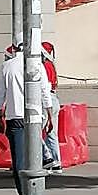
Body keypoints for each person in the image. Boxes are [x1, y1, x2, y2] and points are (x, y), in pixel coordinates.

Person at [0, 40, 52, 195]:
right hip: (34, 115)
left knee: (18, 159)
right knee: (34, 157)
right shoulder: (37, 65)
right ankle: (36, 191)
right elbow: (45, 91)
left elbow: (0, 93)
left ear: (15, 49)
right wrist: (50, 115)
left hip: (14, 117)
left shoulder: (7, 66)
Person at [41, 41, 62, 173]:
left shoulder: (43, 66)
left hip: (45, 99)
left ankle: (47, 158)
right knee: (52, 133)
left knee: (35, 132)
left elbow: (44, 88)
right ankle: (56, 162)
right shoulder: (52, 65)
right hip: (54, 98)